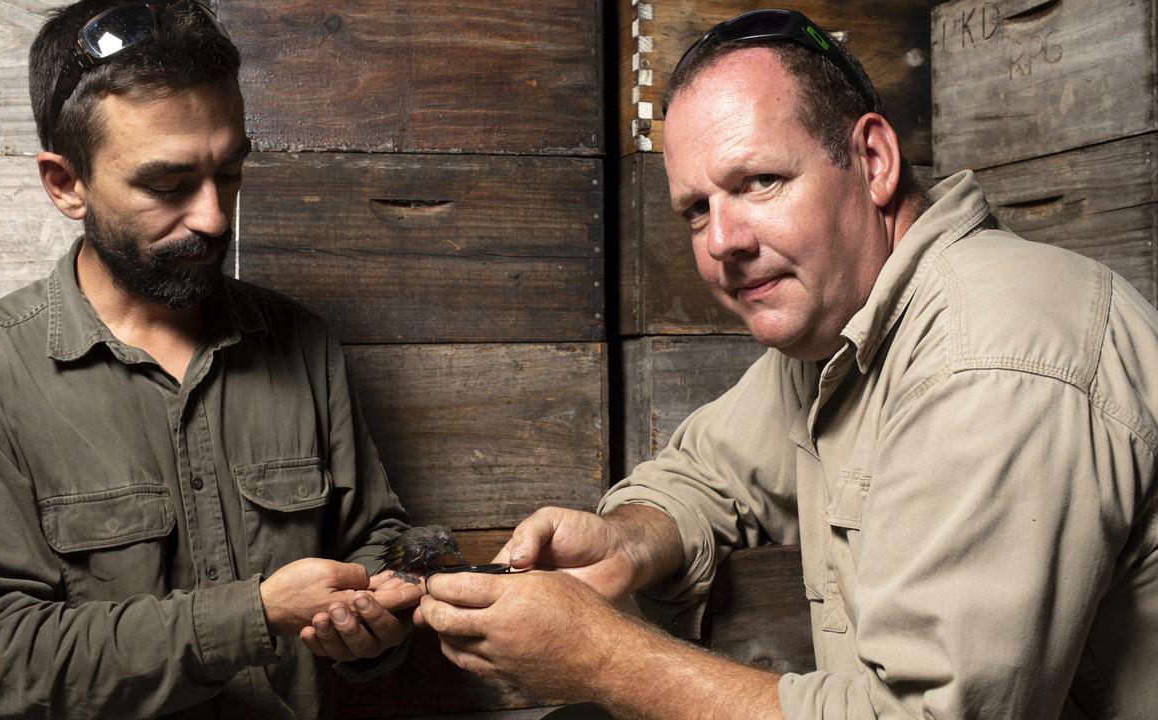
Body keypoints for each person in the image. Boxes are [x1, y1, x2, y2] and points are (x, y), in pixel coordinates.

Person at [418, 9, 1158, 719]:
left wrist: (601, 659)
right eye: (697, 209)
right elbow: (707, 474)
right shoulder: (841, 326)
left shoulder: (989, 361)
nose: (721, 242)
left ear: (872, 161)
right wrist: (632, 537)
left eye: (759, 182)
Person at [0, 1, 424, 717]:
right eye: (168, 186)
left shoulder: (303, 342)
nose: (213, 217)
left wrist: (374, 623)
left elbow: (378, 542)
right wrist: (256, 614)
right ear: (65, 184)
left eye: (230, 173)